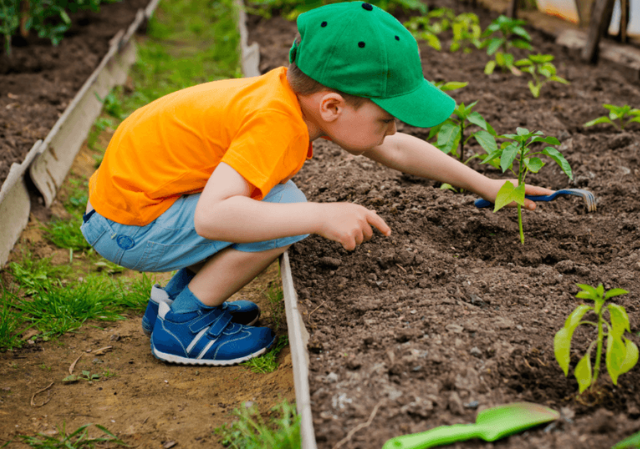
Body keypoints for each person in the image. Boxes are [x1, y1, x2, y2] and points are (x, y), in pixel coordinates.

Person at [80, 1, 554, 366]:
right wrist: (321, 215)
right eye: (387, 118)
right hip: (128, 226)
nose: (392, 130)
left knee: (271, 201)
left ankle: (173, 301)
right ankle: (184, 324)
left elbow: (398, 150)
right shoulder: (275, 124)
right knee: (286, 208)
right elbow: (213, 215)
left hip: (135, 206)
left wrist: (486, 185)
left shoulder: (293, 101)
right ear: (331, 107)